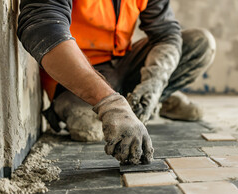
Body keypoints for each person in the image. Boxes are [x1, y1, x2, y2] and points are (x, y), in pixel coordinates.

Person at [17, 0, 216, 165]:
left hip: (122, 62)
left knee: (200, 43)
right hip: (78, 74)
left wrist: (154, 82)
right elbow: (42, 25)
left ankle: (151, 99)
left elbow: (166, 35)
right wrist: (109, 105)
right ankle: (124, 104)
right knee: (87, 128)